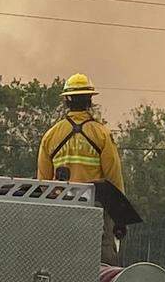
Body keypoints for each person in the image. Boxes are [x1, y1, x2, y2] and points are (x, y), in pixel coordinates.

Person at [37, 73, 126, 264]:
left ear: (66, 101)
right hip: (95, 213)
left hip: (61, 214)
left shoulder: (51, 136)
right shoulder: (102, 134)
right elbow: (114, 180)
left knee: (56, 264)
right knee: (105, 268)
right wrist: (120, 219)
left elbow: (43, 184)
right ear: (90, 100)